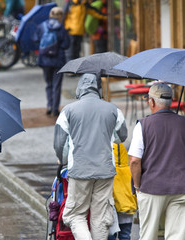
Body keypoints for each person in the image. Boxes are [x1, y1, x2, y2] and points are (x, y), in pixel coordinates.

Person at [54, 73, 128, 240]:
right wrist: (107, 137)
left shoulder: (68, 111)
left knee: (75, 215)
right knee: (100, 217)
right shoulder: (113, 109)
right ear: (98, 89)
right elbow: (122, 136)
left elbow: (59, 143)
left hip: (79, 171)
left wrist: (64, 159)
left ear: (79, 89)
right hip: (105, 171)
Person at [128, 83, 185, 240]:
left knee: (148, 235)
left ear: (152, 102)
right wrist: (180, 149)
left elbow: (135, 161)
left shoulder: (143, 125)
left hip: (151, 187)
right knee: (177, 236)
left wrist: (137, 186)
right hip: (181, 186)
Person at [33, 7, 70, 116]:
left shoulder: (41, 26)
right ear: (60, 16)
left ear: (50, 15)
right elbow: (66, 44)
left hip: (44, 60)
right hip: (58, 61)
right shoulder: (61, 28)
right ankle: (55, 109)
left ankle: (49, 105)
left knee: (48, 84)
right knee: (56, 85)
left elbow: (35, 39)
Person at [108, 143, 137, 240]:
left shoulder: (109, 173)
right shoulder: (130, 171)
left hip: (112, 212)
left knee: (110, 236)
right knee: (125, 235)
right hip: (127, 211)